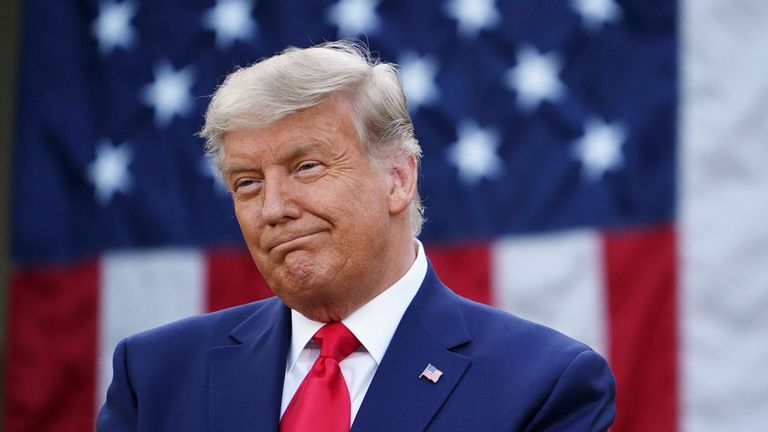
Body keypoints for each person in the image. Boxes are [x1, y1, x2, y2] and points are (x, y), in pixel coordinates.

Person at [97, 41, 615, 431]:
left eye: (306, 167)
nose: (273, 209)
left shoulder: (542, 384)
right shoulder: (155, 376)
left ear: (398, 178)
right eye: (247, 183)